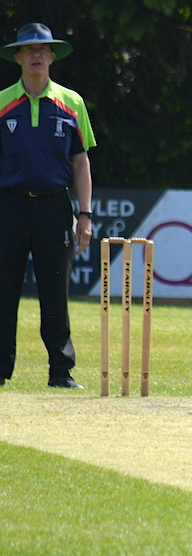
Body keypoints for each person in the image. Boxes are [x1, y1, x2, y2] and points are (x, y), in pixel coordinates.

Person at [0, 23, 95, 389]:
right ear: (18, 57)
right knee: (4, 290)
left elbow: (80, 163)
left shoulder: (72, 103)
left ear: (52, 57)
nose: (36, 55)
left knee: (55, 291)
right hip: (8, 207)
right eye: (29, 50)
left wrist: (84, 215)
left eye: (43, 49)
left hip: (55, 208)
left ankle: (61, 371)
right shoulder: (3, 102)